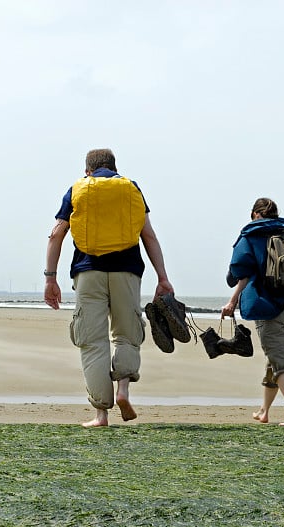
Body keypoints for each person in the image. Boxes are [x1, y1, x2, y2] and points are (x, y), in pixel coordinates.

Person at [44, 148, 174, 427]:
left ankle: (101, 414)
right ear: (115, 168)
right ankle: (123, 389)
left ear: (87, 170)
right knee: (126, 334)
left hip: (88, 274)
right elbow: (148, 234)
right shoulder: (131, 188)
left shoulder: (77, 189)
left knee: (93, 341)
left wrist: (50, 278)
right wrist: (162, 277)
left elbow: (56, 234)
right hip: (127, 272)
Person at [221, 198, 284, 426]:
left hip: (267, 308)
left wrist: (231, 303)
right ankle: (263, 411)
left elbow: (241, 273)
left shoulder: (249, 237)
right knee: (277, 360)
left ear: (254, 215)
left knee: (280, 364)